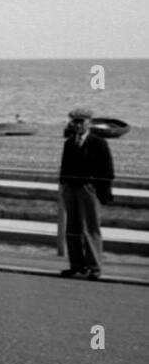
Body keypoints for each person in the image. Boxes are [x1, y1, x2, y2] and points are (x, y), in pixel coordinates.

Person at [58, 108, 114, 280]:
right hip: (71, 188)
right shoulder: (69, 143)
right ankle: (76, 265)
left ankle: (94, 267)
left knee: (90, 228)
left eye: (81, 121)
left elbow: (107, 170)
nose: (78, 124)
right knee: (72, 228)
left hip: (87, 188)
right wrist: (64, 184)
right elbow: (64, 166)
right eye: (75, 121)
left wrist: (102, 190)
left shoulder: (99, 143)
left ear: (89, 122)